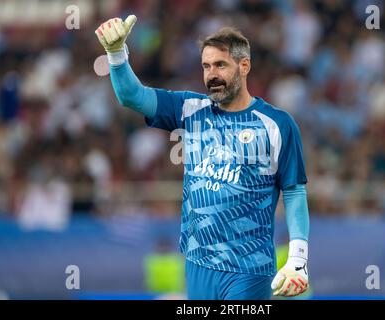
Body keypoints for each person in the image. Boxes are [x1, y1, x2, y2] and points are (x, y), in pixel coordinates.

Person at [95, 15, 310, 300]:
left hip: (249, 268)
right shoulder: (189, 109)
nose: (211, 74)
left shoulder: (276, 124)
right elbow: (131, 96)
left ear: (244, 66)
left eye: (220, 65)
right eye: (206, 66)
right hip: (198, 264)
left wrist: (298, 259)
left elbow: (294, 192)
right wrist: (116, 54)